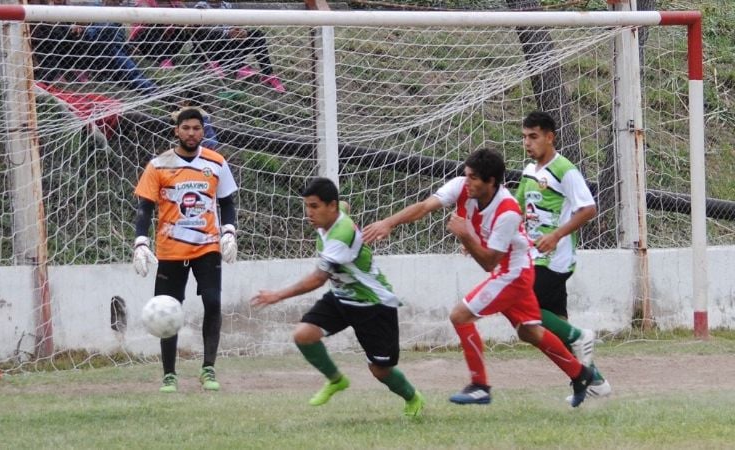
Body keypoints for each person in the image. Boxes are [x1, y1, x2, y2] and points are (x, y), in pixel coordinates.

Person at [363, 149, 594, 407]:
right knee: (530, 332)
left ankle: (480, 385)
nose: (467, 181)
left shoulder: (507, 210)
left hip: (513, 273)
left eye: (473, 178)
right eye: (466, 175)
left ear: (491, 181)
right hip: (510, 270)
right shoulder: (462, 187)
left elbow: (488, 262)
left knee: (460, 315)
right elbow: (424, 207)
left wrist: (466, 236)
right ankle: (581, 374)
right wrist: (388, 223)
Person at [250, 177, 424, 418]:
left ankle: (413, 398)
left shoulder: (340, 237)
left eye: (314, 206)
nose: (308, 213)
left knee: (380, 370)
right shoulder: (334, 213)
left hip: (373, 304)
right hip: (342, 298)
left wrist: (277, 295)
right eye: (307, 206)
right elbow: (345, 206)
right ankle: (336, 380)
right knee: (304, 335)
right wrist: (337, 206)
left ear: (330, 206)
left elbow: (318, 279)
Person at [132, 106, 238, 393]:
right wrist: (140, 241)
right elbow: (144, 208)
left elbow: (227, 202)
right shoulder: (158, 165)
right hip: (170, 249)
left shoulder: (216, 162)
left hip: (207, 247)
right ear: (176, 130)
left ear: (203, 132)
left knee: (213, 304)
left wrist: (229, 230)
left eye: (197, 128)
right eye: (186, 128)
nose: (192, 133)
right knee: (168, 310)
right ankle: (169, 374)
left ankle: (208, 368)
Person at [515, 111, 611, 399]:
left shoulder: (565, 170)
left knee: (526, 319)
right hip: (533, 256)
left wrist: (556, 235)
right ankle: (594, 382)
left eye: (533, 137)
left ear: (549, 137)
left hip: (553, 259)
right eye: (524, 137)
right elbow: (516, 209)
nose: (528, 143)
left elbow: (589, 208)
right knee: (551, 330)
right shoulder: (529, 171)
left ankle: (581, 338)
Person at [193, 0, 286, 93]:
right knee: (218, 35)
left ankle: (267, 74)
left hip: (229, 47)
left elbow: (235, 25)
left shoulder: (227, 5)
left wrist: (242, 32)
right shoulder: (201, 7)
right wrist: (227, 33)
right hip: (210, 49)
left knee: (257, 35)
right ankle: (228, 66)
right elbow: (200, 33)